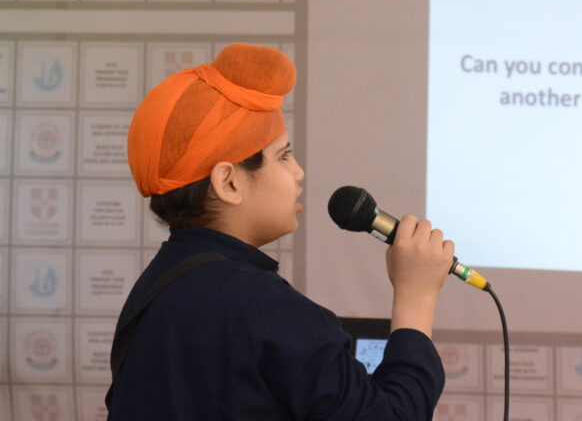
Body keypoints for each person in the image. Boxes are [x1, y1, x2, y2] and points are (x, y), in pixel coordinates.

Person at [107, 43, 455, 419]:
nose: (298, 172)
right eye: (283, 156)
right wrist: (417, 294)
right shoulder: (262, 307)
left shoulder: (155, 288)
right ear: (229, 182)